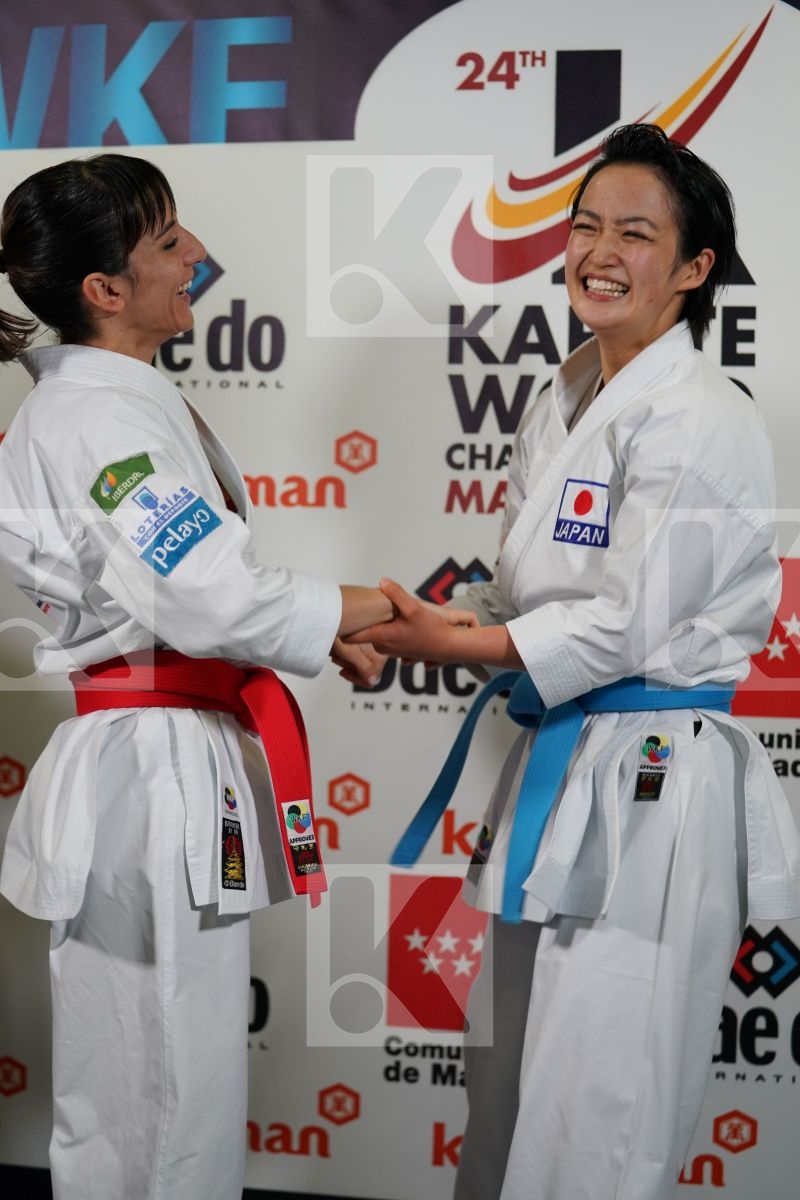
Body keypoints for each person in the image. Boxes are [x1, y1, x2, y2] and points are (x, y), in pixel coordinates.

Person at [0, 152, 470, 1200]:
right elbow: (205, 596)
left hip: (154, 751)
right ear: (104, 290)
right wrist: (371, 607)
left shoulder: (104, 404)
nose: (199, 257)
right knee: (167, 1082)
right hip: (151, 768)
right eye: (168, 243)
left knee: (139, 1080)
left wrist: (314, 628)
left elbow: (185, 599)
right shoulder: (101, 419)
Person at [348, 124, 800, 1199]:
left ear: (693, 270)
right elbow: (522, 596)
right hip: (563, 759)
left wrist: (440, 639)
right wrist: (373, 615)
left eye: (634, 233)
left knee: (598, 1100)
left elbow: (622, 629)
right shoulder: (565, 394)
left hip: (648, 776)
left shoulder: (699, 417)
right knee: (507, 1086)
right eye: (584, 224)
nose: (598, 249)